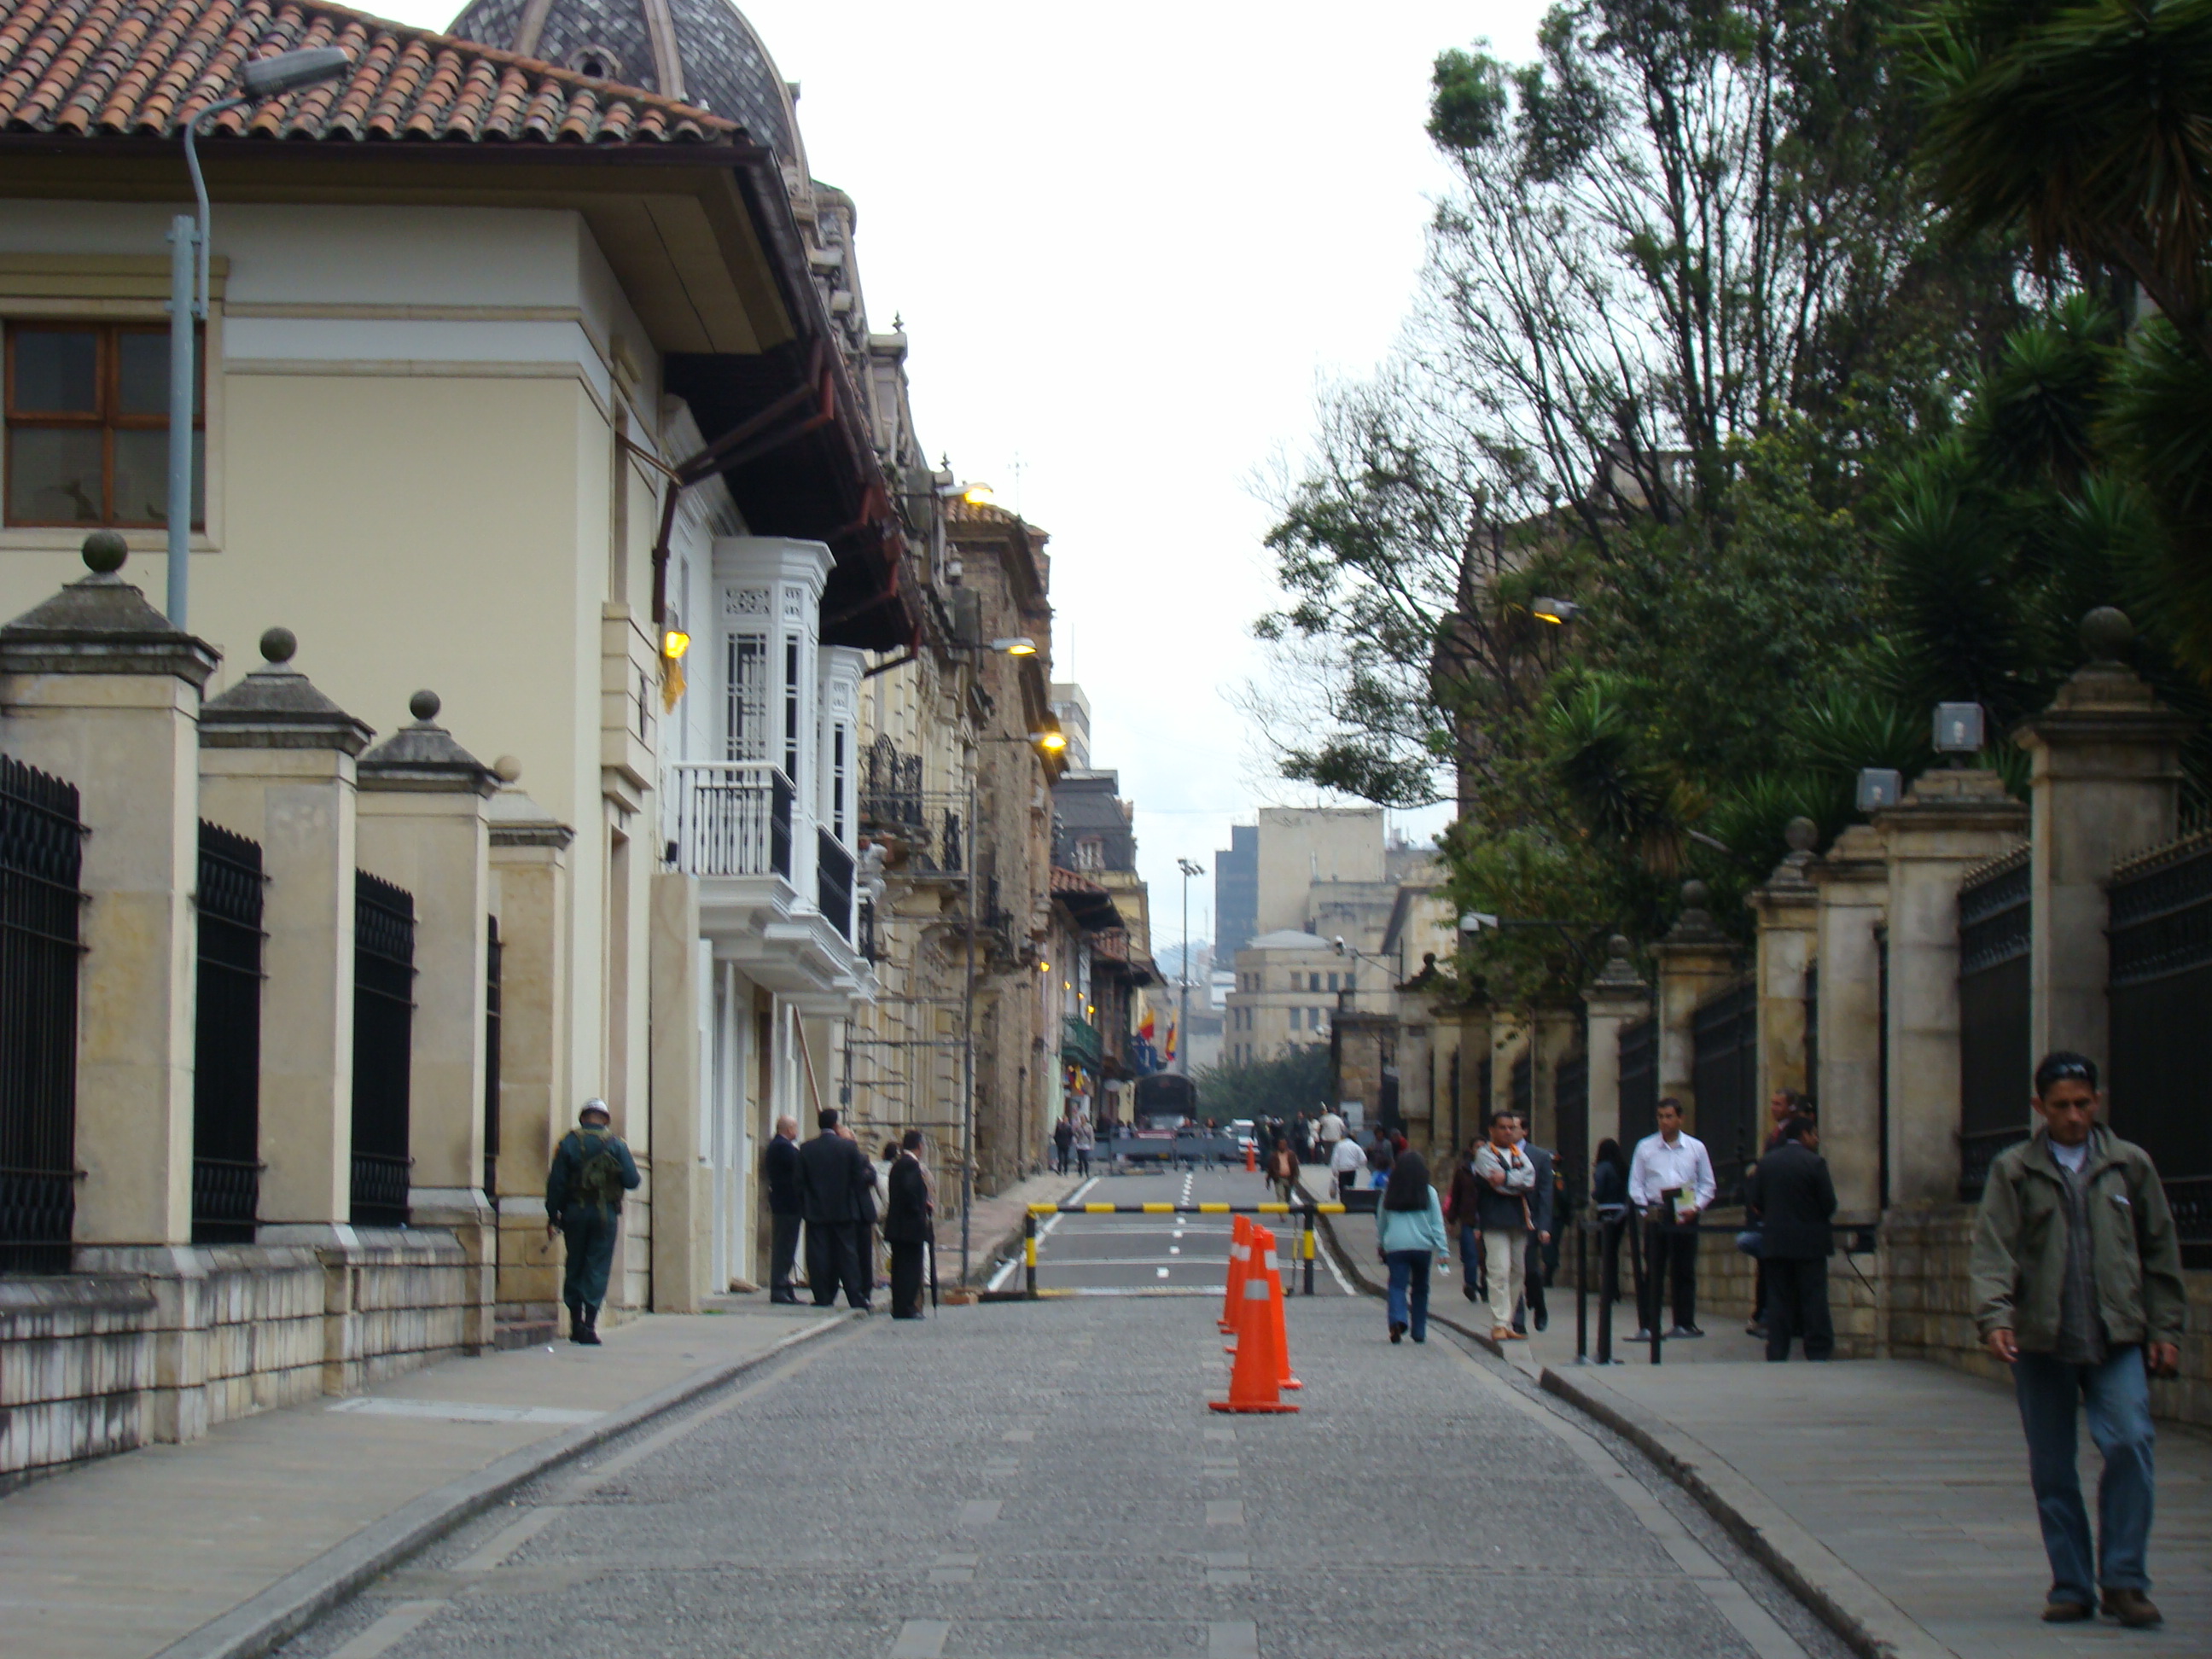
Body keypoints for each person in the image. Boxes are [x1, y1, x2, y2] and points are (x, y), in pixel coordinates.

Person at [1970, 1051, 2184, 1629]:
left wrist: (2165, 1328)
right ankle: (2071, 1583)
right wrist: (1995, 1318)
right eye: (2061, 1106)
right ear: (2040, 1108)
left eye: (2083, 1105)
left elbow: (2160, 1250)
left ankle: (2124, 1580)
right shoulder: (2015, 1170)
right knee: (2053, 1465)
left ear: (2097, 1103)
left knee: (2131, 1443)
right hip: (2043, 1338)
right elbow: (1993, 1250)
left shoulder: (2129, 1166)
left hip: (2117, 1334)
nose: (2073, 1116)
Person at [544, 1098, 640, 1345]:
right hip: (604, 1215)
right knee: (597, 1266)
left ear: (582, 1117)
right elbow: (632, 1180)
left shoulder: (568, 1142)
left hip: (574, 1213)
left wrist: (552, 1214)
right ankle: (590, 1324)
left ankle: (575, 1323)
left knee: (575, 1264)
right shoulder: (617, 1145)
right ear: (606, 1119)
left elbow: (556, 1183)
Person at [1743, 1116, 1836, 1361]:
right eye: (1814, 1134)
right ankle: (1817, 1348)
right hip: (1810, 1241)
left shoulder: (1767, 1163)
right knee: (1813, 1296)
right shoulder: (1815, 1163)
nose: (1816, 1139)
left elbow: (1756, 1202)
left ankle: (1777, 1348)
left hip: (1776, 1241)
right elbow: (1829, 1203)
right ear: (1804, 1135)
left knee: (1778, 1297)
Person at [1627, 1097, 1714, 1339]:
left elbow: (1708, 1183)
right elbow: (1636, 1183)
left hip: (1685, 1210)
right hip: (1657, 1211)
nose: (1664, 1122)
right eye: (1661, 1117)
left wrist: (1696, 1207)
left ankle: (1685, 1322)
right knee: (1654, 1269)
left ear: (1680, 1118)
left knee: (1684, 1268)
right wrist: (1645, 1210)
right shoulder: (1646, 1148)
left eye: (1669, 1116)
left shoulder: (1696, 1148)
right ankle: (1649, 1324)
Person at [797, 1107, 877, 1310]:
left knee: (818, 1255)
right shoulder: (848, 1148)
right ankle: (854, 1296)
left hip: (816, 1209)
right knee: (847, 1255)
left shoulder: (806, 1148)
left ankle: (823, 1295)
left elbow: (798, 1181)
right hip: (844, 1209)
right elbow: (859, 1178)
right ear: (835, 1125)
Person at [1749, 1090, 1810, 1337]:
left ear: (1791, 1107)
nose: (1773, 1108)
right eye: (1772, 1103)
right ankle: (1765, 1315)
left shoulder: (1792, 1134)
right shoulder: (1774, 1134)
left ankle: (1776, 1322)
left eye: (1778, 1104)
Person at [1473, 1112, 1536, 1342]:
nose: (1508, 1132)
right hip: (1495, 1219)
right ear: (1492, 1130)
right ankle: (1499, 1322)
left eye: (1511, 1128)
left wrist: (1508, 1179)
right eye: (1502, 1127)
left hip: (1518, 1219)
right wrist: (1517, 1182)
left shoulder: (1519, 1154)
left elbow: (1530, 1179)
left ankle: (1507, 1321)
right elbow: (1497, 1185)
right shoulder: (1484, 1154)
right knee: (1499, 1270)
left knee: (1518, 1271)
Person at [1374, 1148, 1448, 1343]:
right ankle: (1419, 1330)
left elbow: (1382, 1221)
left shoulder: (1389, 1191)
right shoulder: (1429, 1192)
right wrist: (1443, 1249)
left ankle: (1397, 1319)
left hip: (1396, 1245)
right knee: (1421, 1288)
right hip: (1422, 1246)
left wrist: (1381, 1243)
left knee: (1397, 1285)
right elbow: (1437, 1223)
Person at [1511, 1117, 1556, 1336]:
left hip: (1531, 1222)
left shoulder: (1539, 1156)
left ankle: (1538, 1304)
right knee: (1513, 1271)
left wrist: (1544, 1225)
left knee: (1530, 1271)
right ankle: (1517, 1319)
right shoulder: (1498, 1154)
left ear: (1525, 1131)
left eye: (1514, 1127)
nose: (1509, 1131)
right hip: (1508, 1221)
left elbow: (1546, 1193)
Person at [884, 1130, 934, 1320]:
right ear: (919, 1146)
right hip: (910, 1228)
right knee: (910, 1269)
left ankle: (899, 1306)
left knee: (898, 1269)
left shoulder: (897, 1165)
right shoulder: (912, 1165)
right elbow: (909, 1192)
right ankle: (907, 1307)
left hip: (897, 1227)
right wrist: (922, 1208)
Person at [760, 1114, 803, 1304]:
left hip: (785, 1203)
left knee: (787, 1247)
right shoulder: (782, 1148)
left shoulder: (779, 1146)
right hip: (787, 1204)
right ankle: (779, 1288)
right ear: (789, 1129)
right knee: (784, 1248)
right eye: (795, 1127)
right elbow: (799, 1169)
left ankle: (785, 1286)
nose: (797, 1131)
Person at [1443, 1139, 1487, 1305]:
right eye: (1477, 1147)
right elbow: (1456, 1195)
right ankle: (1470, 1284)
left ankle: (1486, 1286)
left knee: (1487, 1256)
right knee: (1470, 1254)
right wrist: (1452, 1219)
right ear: (1472, 1150)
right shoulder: (1463, 1170)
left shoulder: (1493, 1168)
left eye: (1484, 1147)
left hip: (1487, 1219)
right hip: (1468, 1218)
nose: (1481, 1150)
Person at [1590, 1138, 1630, 1307]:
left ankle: (1608, 1290)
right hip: (1621, 1211)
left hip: (1605, 1211)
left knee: (1605, 1253)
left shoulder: (1603, 1167)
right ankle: (1615, 1290)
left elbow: (1599, 1192)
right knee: (1613, 1251)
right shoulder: (1623, 1168)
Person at [1328, 1132, 1365, 1201]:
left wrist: (1334, 1170)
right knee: (1350, 1187)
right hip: (1352, 1170)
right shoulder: (1356, 1146)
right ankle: (1350, 1201)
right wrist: (1358, 1166)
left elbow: (1335, 1158)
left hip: (1342, 1170)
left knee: (1342, 1187)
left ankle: (1343, 1201)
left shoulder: (1339, 1145)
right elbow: (1364, 1159)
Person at [1265, 1135, 1300, 1205]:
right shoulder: (1274, 1156)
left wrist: (1296, 1179)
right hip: (1279, 1179)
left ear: (1286, 1145)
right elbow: (1270, 1169)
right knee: (1280, 1196)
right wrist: (1268, 1181)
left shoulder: (1291, 1155)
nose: (1282, 1146)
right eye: (1280, 1144)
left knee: (1287, 1197)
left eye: (1283, 1144)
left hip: (1289, 1178)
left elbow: (1296, 1168)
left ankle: (1287, 1204)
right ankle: (1282, 1214)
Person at [1053, 1112, 1075, 1177]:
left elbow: (1071, 1135)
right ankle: (1059, 1170)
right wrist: (1057, 1142)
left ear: (1067, 1120)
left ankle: (1066, 1170)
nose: (1064, 1120)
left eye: (1065, 1119)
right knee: (1060, 1158)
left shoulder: (1069, 1127)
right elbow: (1056, 1135)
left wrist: (1069, 1142)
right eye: (1063, 1119)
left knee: (1066, 1158)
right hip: (1060, 1144)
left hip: (1066, 1144)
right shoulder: (1059, 1127)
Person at [1072, 1113, 1094, 1178]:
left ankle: (1087, 1172)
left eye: (1083, 1119)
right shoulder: (1079, 1126)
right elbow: (1075, 1134)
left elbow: (1091, 1136)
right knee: (1080, 1159)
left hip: (1086, 1144)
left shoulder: (1089, 1126)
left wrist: (1091, 1145)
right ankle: (1080, 1172)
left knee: (1085, 1159)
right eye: (1081, 1119)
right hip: (1079, 1144)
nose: (1082, 1120)